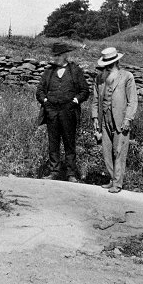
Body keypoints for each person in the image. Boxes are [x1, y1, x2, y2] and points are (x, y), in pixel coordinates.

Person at [36, 42, 89, 182]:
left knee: (69, 143)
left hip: (68, 111)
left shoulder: (75, 71)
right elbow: (39, 91)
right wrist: (46, 102)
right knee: (53, 143)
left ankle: (71, 174)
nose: (56, 58)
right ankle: (54, 172)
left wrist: (75, 101)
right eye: (54, 55)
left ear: (65, 55)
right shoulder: (48, 72)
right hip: (51, 112)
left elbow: (85, 91)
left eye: (58, 55)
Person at [92, 47, 138, 193]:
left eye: (111, 63)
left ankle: (117, 184)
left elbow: (133, 101)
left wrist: (128, 119)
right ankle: (112, 179)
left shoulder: (127, 77)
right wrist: (95, 118)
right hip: (104, 119)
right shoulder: (100, 78)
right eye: (107, 64)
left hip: (121, 119)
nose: (108, 66)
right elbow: (95, 100)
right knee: (106, 151)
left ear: (117, 62)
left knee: (119, 151)